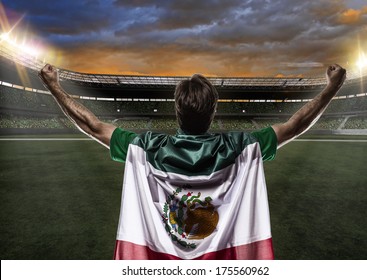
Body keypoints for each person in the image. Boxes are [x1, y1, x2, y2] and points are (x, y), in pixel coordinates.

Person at [39, 64, 346, 260]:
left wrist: (54, 85)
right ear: (213, 112)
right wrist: (332, 86)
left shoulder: (146, 147)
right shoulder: (243, 146)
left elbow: (92, 125)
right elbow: (295, 124)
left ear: (177, 111)